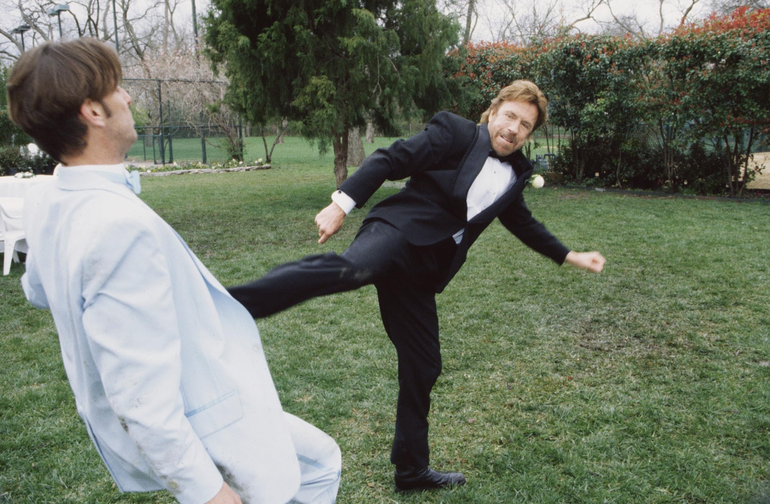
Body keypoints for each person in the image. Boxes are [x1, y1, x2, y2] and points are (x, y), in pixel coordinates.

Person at [228, 80, 606, 492]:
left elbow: (523, 224)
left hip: (424, 271)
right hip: (396, 231)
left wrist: (570, 256)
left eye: (526, 126)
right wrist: (341, 204)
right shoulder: (456, 133)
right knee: (350, 271)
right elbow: (391, 158)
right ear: (494, 112)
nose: (515, 129)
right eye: (511, 117)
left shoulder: (517, 173)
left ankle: (410, 471)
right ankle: (232, 303)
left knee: (423, 365)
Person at [7, 38, 341, 504]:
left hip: (198, 407)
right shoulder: (117, 227)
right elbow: (139, 398)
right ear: (93, 112)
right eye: (118, 88)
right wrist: (207, 492)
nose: (129, 97)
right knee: (315, 468)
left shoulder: (47, 198)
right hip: (200, 420)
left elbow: (38, 290)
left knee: (321, 458)